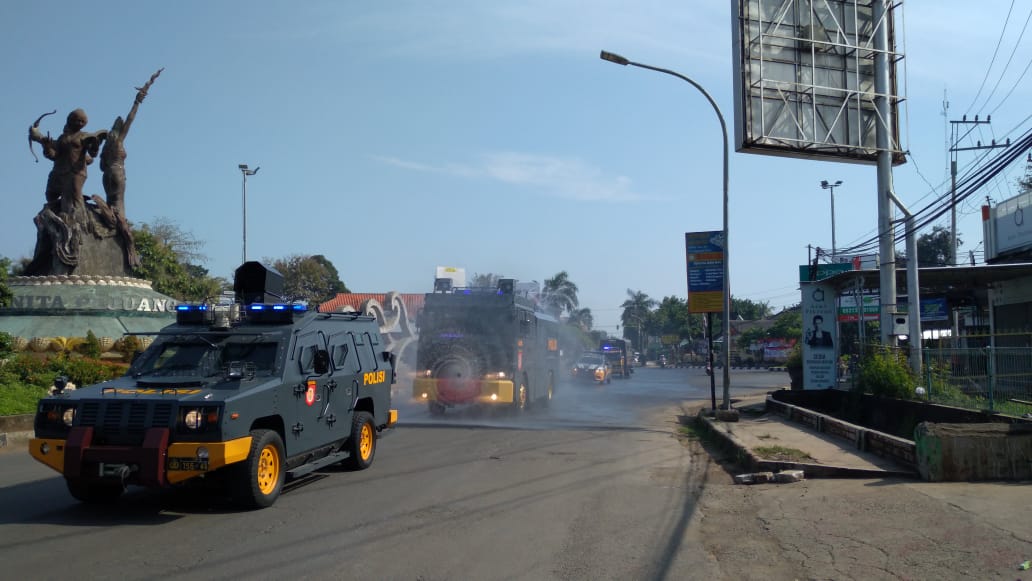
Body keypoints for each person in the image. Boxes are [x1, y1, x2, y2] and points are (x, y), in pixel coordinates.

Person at [101, 68, 162, 218]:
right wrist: (136, 103)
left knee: (110, 203)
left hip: (106, 175)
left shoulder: (106, 145)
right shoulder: (119, 140)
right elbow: (130, 119)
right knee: (119, 204)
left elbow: (101, 166)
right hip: (117, 172)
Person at [29, 108, 107, 215]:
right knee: (50, 195)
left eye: (82, 121)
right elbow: (54, 156)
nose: (79, 123)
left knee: (74, 198)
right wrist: (47, 147)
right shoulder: (62, 138)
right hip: (59, 171)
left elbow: (93, 155)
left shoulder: (85, 136)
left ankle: (78, 219)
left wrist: (96, 145)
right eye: (77, 120)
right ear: (70, 120)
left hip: (76, 172)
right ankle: (56, 216)